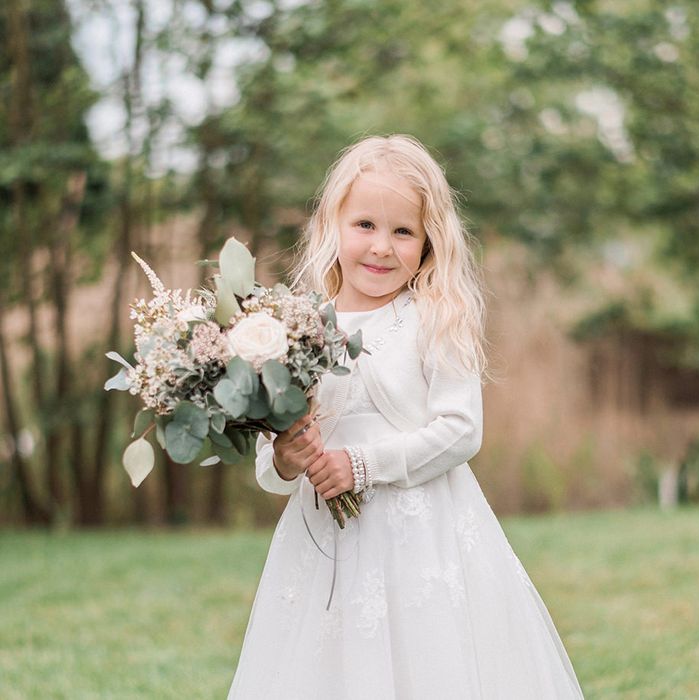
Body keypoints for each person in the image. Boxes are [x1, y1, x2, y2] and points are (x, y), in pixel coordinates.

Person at [228, 135, 584, 699]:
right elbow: (273, 459)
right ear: (333, 226)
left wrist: (361, 467)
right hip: (325, 545)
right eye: (365, 225)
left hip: (423, 538)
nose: (381, 248)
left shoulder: (436, 318)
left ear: (428, 242)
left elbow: (461, 430)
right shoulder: (296, 326)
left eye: (403, 232)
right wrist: (288, 461)